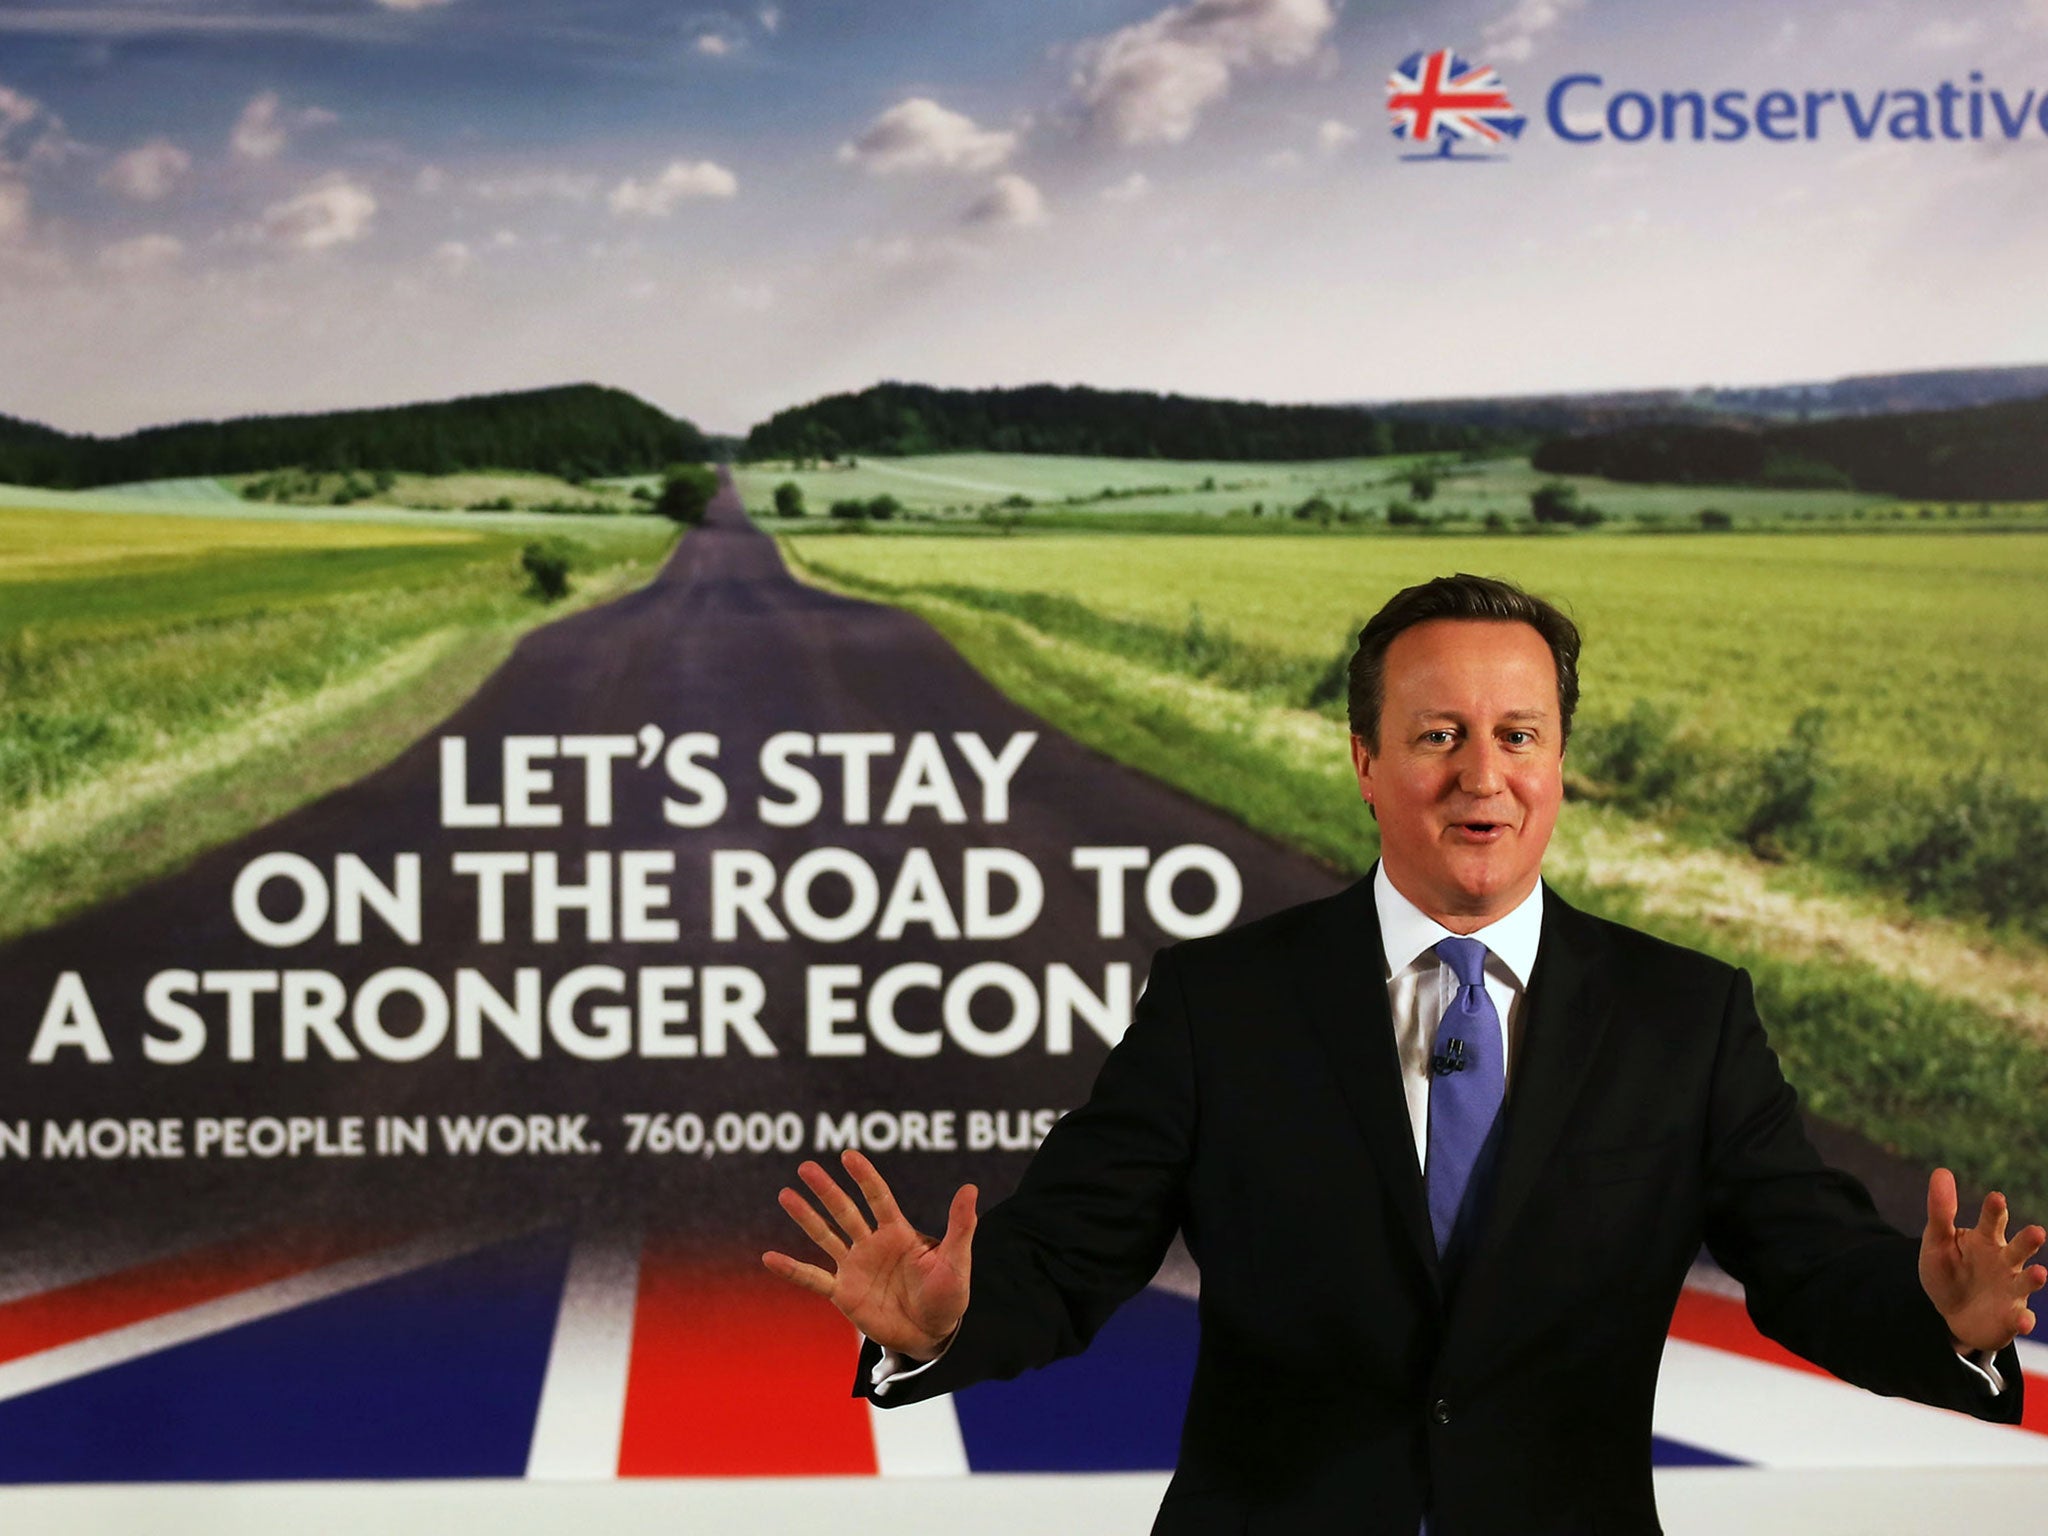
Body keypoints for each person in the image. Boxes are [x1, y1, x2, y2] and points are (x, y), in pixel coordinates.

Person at [763, 573, 2044, 1534]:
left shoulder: (1684, 1016)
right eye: (1436, 736)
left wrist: (1937, 1323)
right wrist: (943, 1327)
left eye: (1517, 735)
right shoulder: (1221, 1003)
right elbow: (1070, 1253)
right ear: (1366, 763)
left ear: (1558, 764)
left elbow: (1808, 1261)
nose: (1479, 775)